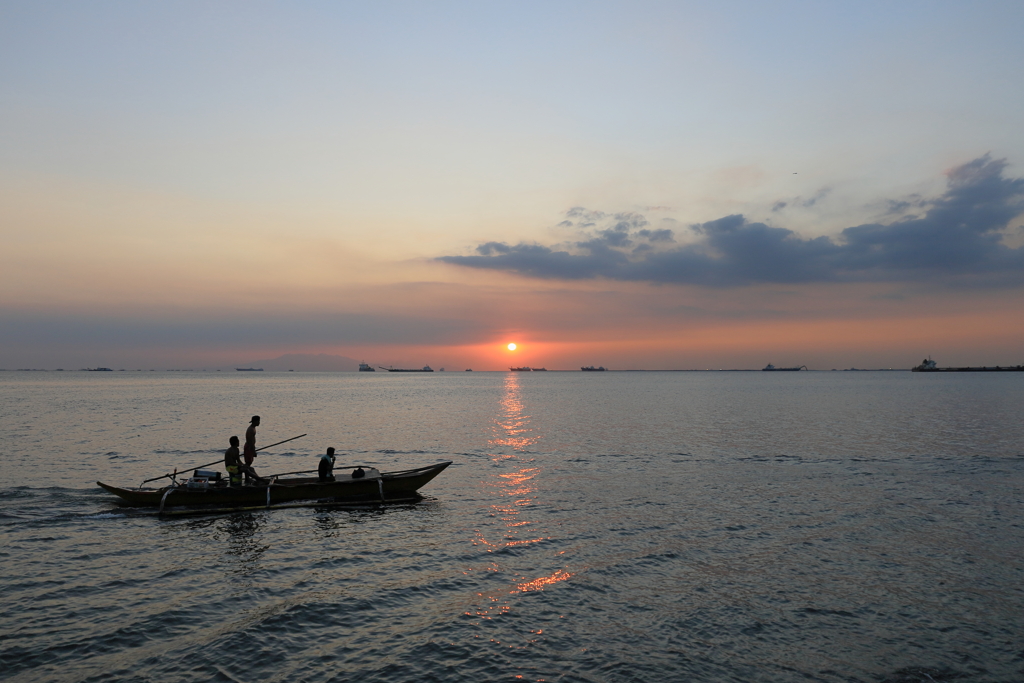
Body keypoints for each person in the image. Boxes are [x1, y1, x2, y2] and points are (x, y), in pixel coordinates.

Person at [243, 415, 260, 483]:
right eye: (258, 421)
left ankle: (247, 478)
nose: (259, 422)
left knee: (249, 463)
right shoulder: (251, 429)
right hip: (249, 447)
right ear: (255, 421)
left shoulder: (253, 428)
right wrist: (253, 451)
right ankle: (247, 479)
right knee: (248, 463)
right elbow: (250, 442)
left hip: (250, 447)